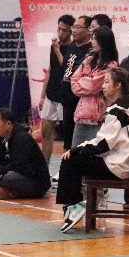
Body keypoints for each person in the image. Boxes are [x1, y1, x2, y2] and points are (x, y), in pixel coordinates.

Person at [57, 67, 129, 232]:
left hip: (116, 167)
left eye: (107, 82)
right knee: (75, 157)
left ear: (118, 85)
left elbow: (102, 145)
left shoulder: (117, 111)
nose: (103, 86)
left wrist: (75, 151)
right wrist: (79, 149)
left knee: (70, 160)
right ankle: (75, 206)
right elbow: (102, 141)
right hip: (121, 164)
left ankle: (72, 207)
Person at [0, 108, 50, 200]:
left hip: (36, 182)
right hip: (16, 175)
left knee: (9, 177)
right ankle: (6, 191)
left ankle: (4, 191)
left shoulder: (22, 138)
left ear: (8, 124)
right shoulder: (2, 138)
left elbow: (18, 166)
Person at [70, 26, 119, 147]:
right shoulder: (88, 60)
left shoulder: (111, 65)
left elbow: (93, 85)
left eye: (95, 39)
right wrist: (89, 85)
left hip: (99, 118)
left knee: (94, 153)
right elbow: (74, 82)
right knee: (75, 153)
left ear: (104, 41)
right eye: (92, 38)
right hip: (82, 115)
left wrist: (84, 81)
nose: (92, 41)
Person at [38, 14, 74, 165]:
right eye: (59, 29)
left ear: (71, 31)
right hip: (51, 94)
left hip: (65, 97)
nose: (60, 33)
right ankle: (44, 167)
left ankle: (66, 169)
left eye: (64, 30)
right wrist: (42, 95)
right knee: (46, 132)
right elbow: (50, 69)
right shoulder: (54, 46)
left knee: (68, 136)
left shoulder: (73, 49)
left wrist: (58, 50)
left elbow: (68, 69)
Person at [59, 15, 93, 152]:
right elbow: (65, 69)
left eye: (78, 27)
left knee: (78, 143)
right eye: (73, 27)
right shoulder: (72, 46)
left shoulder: (90, 50)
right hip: (66, 100)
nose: (74, 30)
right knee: (67, 140)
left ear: (88, 30)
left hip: (79, 102)